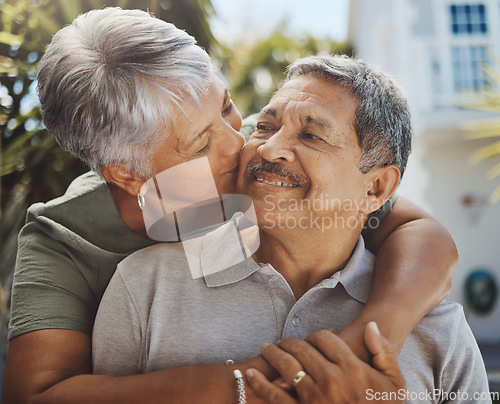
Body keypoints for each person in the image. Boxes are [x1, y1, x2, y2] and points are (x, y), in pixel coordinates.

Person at [3, 8, 457, 404]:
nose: (241, 144)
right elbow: (37, 395)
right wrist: (267, 385)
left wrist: (371, 339)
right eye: (201, 144)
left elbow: (418, 231)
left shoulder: (261, 163)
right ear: (127, 174)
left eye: (226, 108)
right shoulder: (65, 239)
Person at [92, 55, 490, 403]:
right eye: (265, 126)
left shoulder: (438, 332)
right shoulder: (145, 285)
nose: (267, 148)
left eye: (312, 135)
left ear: (376, 187)